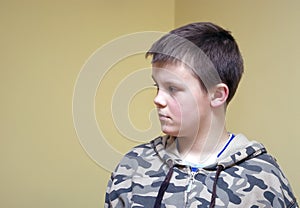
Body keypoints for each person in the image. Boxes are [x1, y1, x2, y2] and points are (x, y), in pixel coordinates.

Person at [105, 22, 298, 208]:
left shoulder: (265, 177)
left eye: (172, 88)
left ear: (217, 95)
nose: (158, 99)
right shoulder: (133, 166)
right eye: (158, 86)